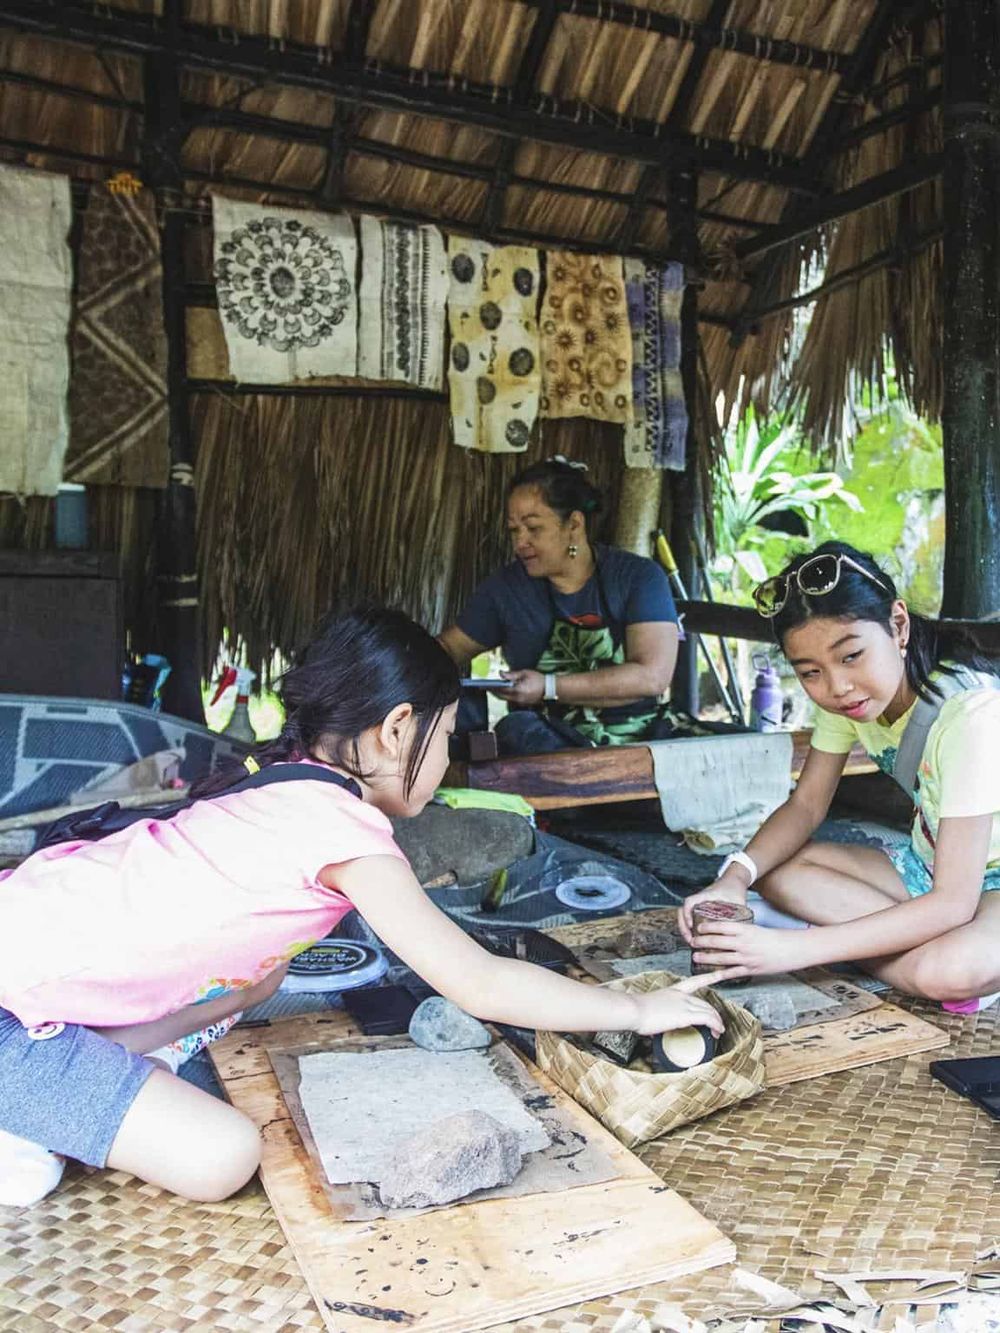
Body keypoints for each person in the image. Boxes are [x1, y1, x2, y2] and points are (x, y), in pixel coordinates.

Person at [0, 606, 726, 1209]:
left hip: (27, 965)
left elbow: (250, 985)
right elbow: (480, 981)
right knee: (223, 1154)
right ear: (398, 727)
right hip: (12, 1013)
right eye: (445, 739)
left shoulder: (279, 784)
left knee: (248, 999)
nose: (445, 761)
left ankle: (55, 1093)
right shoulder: (342, 829)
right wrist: (634, 1010)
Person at [678, 541, 1000, 1012]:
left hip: (978, 889)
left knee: (948, 970)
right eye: (810, 672)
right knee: (776, 869)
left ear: (898, 625)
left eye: (851, 656)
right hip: (929, 868)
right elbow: (805, 806)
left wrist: (790, 952)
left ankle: (876, 947)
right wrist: (733, 878)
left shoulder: (970, 714)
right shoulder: (850, 700)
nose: (837, 686)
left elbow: (954, 901)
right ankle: (897, 943)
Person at [439, 457, 681, 754]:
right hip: (547, 742)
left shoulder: (637, 578)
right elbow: (446, 651)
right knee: (515, 730)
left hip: (640, 742)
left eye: (533, 528)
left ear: (574, 524)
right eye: (515, 530)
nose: (520, 543)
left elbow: (652, 677)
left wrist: (548, 687)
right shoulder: (506, 590)